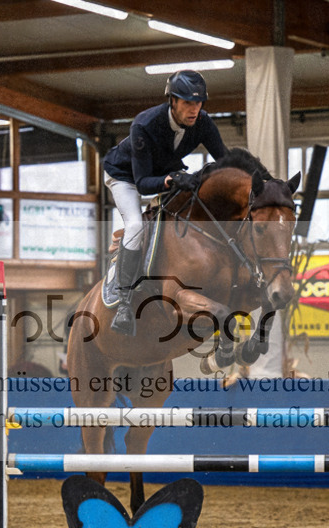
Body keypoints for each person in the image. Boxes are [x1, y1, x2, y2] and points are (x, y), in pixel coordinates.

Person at [102, 70, 229, 336]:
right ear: (172, 100)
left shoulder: (203, 122)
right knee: (136, 226)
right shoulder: (144, 125)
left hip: (165, 171)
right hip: (126, 176)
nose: (194, 109)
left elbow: (225, 161)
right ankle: (124, 301)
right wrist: (172, 180)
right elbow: (145, 182)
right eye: (187, 103)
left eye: (198, 103)